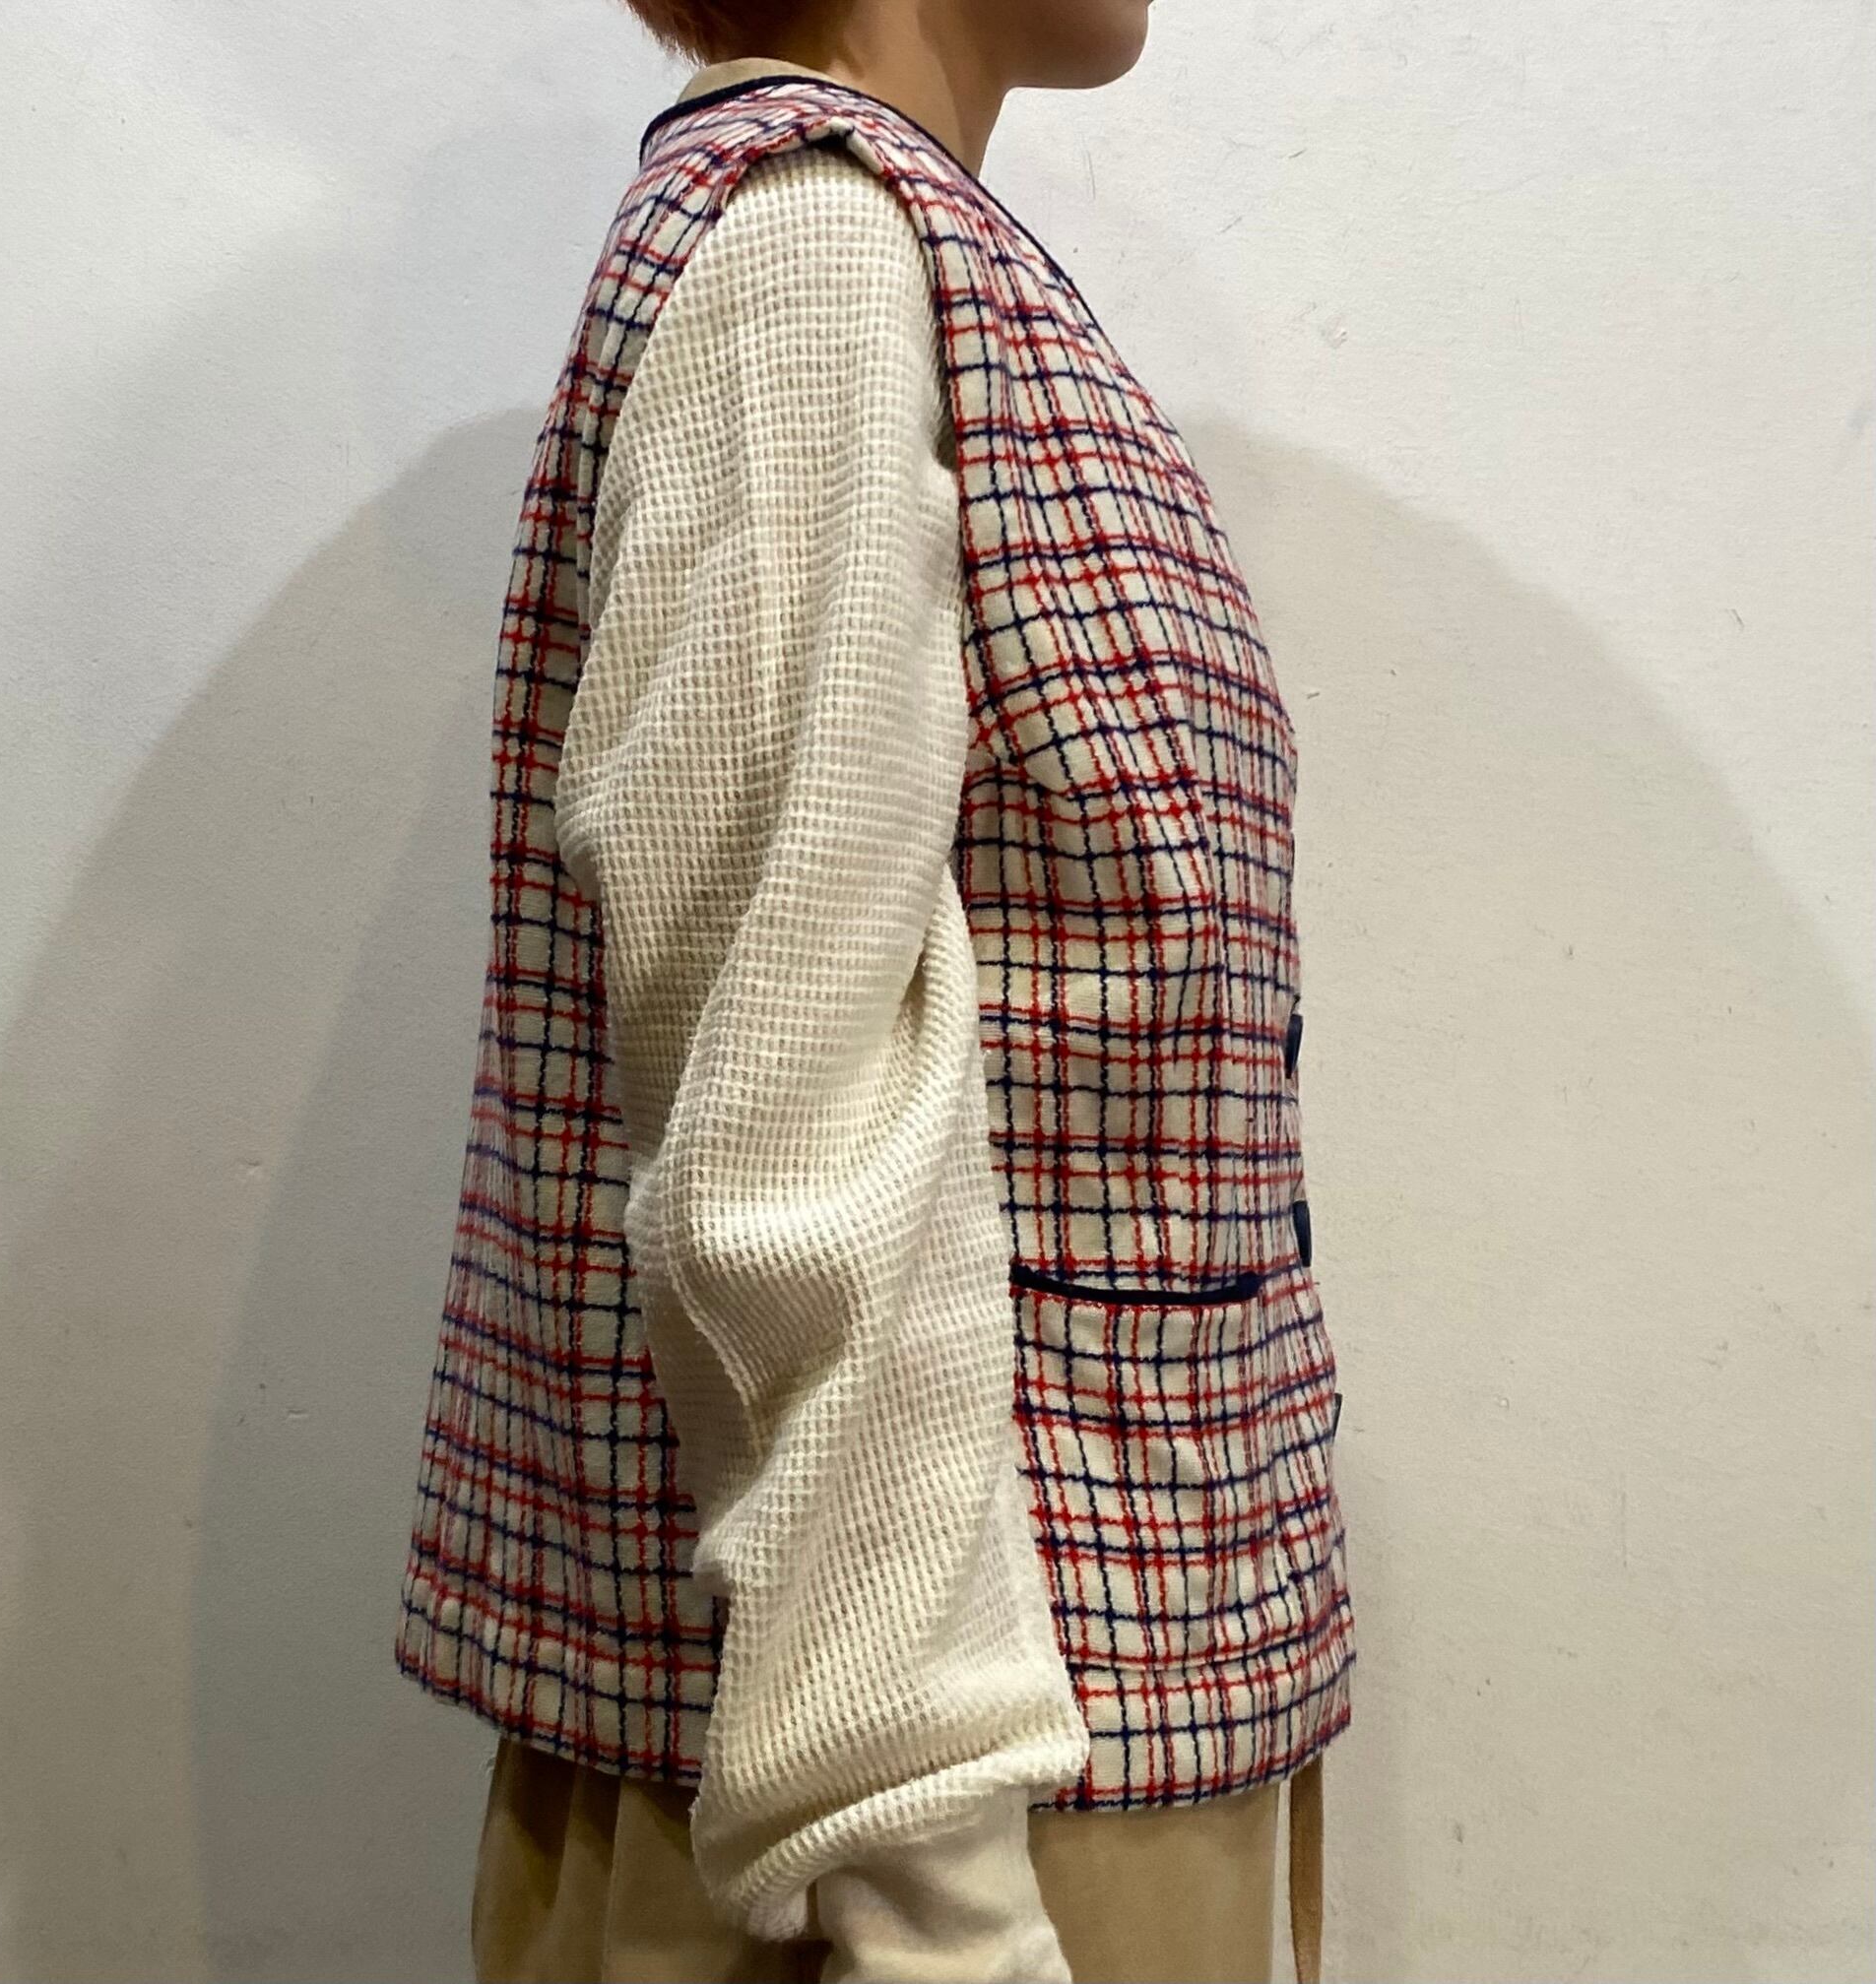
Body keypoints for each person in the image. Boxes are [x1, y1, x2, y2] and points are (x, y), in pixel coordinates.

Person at [397, 8, 1355, 1980]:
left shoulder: (903, 257)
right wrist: (943, 1914)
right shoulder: (806, 260)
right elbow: (783, 1129)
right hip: (929, 1828)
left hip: (1033, 1745)